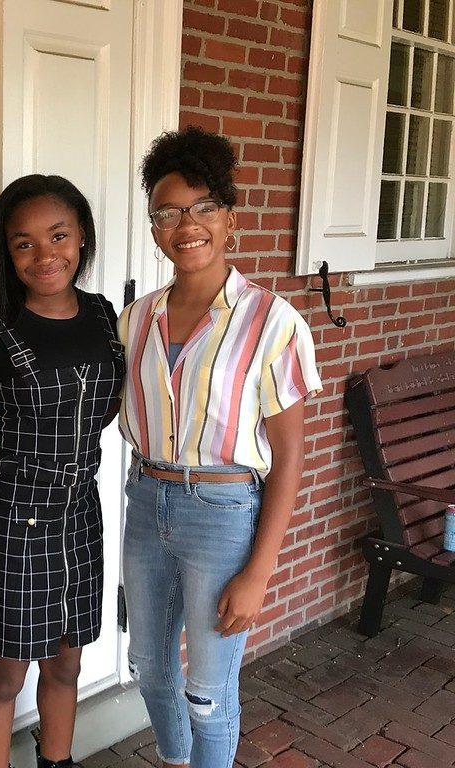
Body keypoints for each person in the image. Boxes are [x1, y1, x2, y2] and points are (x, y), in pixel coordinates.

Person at [119, 127, 322, 768]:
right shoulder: (136, 319)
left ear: (230, 218)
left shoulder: (273, 322)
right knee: (149, 669)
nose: (187, 226)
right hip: (147, 502)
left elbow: (289, 457)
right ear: (154, 226)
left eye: (203, 208)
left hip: (222, 513)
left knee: (208, 691)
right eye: (168, 213)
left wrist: (259, 573)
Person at [0, 174, 125, 768]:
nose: (44, 254)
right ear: (6, 251)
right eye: (23, 242)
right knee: (7, 666)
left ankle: (57, 763)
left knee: (67, 658)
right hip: (13, 511)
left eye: (59, 236)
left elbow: (106, 406)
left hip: (81, 504)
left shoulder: (107, 319)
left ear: (82, 239)